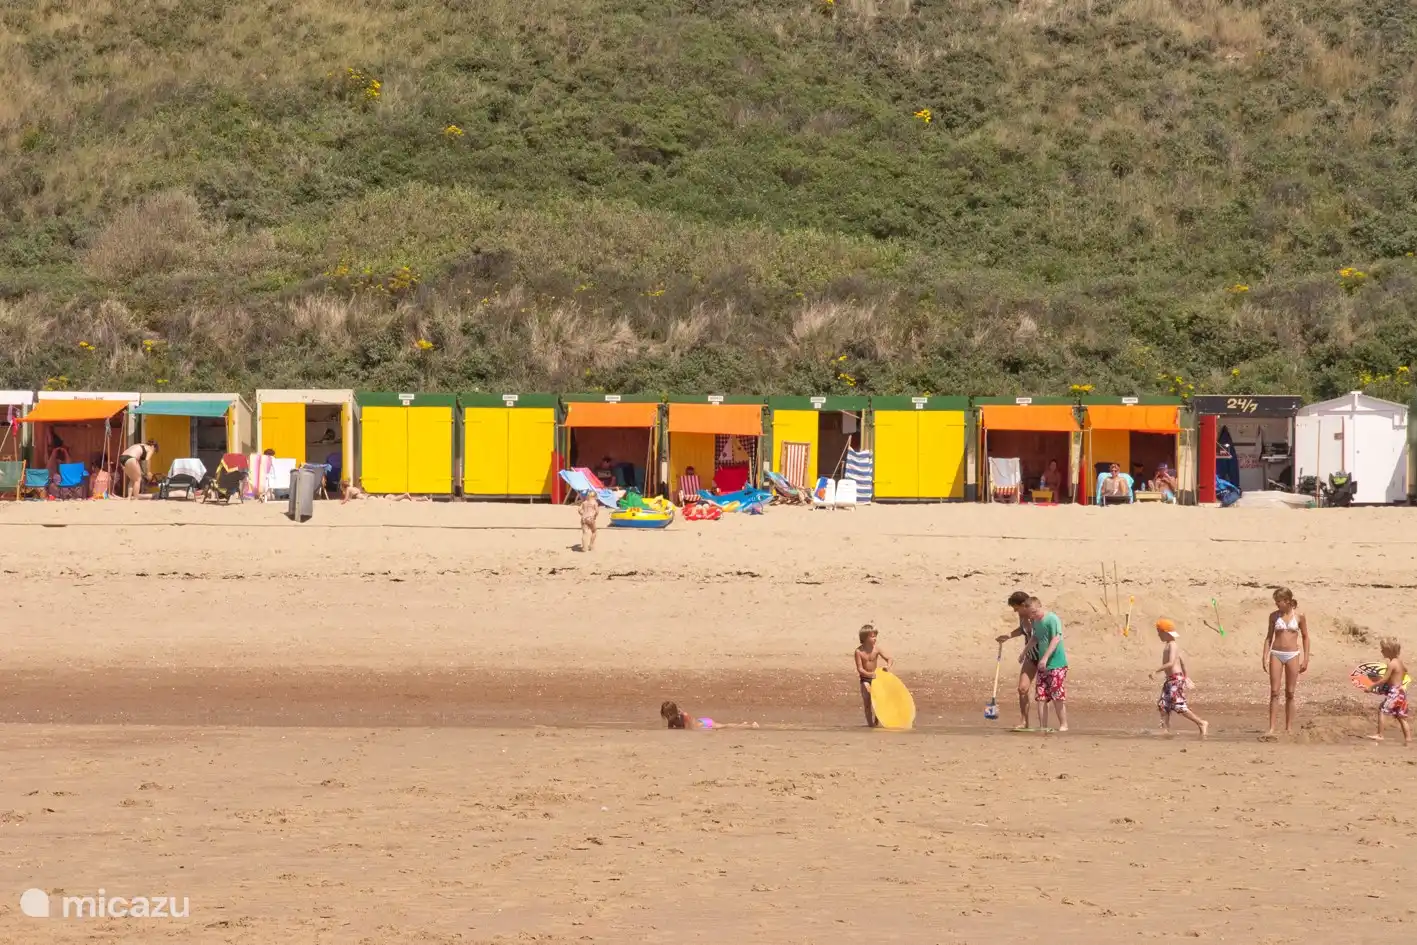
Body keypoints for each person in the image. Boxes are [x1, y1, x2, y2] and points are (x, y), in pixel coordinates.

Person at [1262, 586, 1309, 737]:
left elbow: (1306, 637)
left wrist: (1306, 658)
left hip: (1292, 655)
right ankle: (1272, 728)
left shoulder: (1299, 616)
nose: (1276, 604)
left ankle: (1288, 727)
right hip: (1276, 653)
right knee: (1274, 692)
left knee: (1290, 692)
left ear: (1287, 601)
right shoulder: (1274, 616)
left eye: (1279, 601)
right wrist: (1264, 656)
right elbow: (1269, 637)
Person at [1150, 619, 1208, 737]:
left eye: (1159, 632)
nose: (1158, 635)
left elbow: (1171, 663)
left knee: (1178, 706)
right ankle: (1166, 730)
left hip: (1176, 680)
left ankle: (1201, 723)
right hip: (1170, 680)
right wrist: (1186, 676)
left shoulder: (1173, 645)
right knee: (1163, 705)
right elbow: (1182, 662)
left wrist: (1156, 671)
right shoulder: (1168, 646)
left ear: (1165, 633)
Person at [996, 590, 1038, 730]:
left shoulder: (1036, 616)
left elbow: (1039, 636)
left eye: (1015, 607)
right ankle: (1024, 722)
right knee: (1022, 688)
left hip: (1045, 657)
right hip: (1031, 656)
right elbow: (1022, 630)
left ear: (1023, 605)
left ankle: (1049, 723)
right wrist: (1008, 636)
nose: (1014, 610)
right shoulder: (1022, 617)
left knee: (1046, 692)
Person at [1028, 597, 1068, 732]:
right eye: (1030, 614)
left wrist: (1044, 659)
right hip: (1043, 665)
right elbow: (1035, 637)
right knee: (1041, 696)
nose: (1032, 615)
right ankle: (1042, 726)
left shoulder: (1052, 619)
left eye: (1034, 612)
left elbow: (1056, 639)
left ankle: (1063, 724)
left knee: (1057, 694)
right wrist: (1024, 651)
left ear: (1040, 606)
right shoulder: (1035, 621)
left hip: (1056, 663)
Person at [1366, 638, 1409, 745]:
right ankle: (1408, 739)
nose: (1381, 651)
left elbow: (1384, 679)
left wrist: (1372, 686)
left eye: (1383, 649)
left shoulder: (1391, 664)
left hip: (1394, 693)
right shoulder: (1399, 662)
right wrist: (1397, 677)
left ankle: (1380, 734)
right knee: (1400, 716)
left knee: (1382, 710)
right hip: (1401, 692)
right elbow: (1405, 670)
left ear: (1390, 651)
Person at [854, 624, 892, 727]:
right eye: (872, 636)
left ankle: (876, 722)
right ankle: (870, 725)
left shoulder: (877, 649)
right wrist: (870, 674)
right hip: (865, 679)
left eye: (875, 636)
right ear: (865, 638)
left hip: (877, 679)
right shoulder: (859, 652)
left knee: (879, 702)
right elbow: (860, 669)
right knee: (867, 702)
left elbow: (889, 659)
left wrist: (888, 667)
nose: (875, 638)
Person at [659, 701, 757, 730]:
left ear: (674, 712)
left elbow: (692, 729)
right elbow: (671, 731)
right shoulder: (671, 719)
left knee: (725, 726)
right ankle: (742, 724)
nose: (668, 717)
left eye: (669, 714)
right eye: (666, 715)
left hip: (705, 724)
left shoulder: (684, 716)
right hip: (700, 723)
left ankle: (751, 726)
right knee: (724, 726)